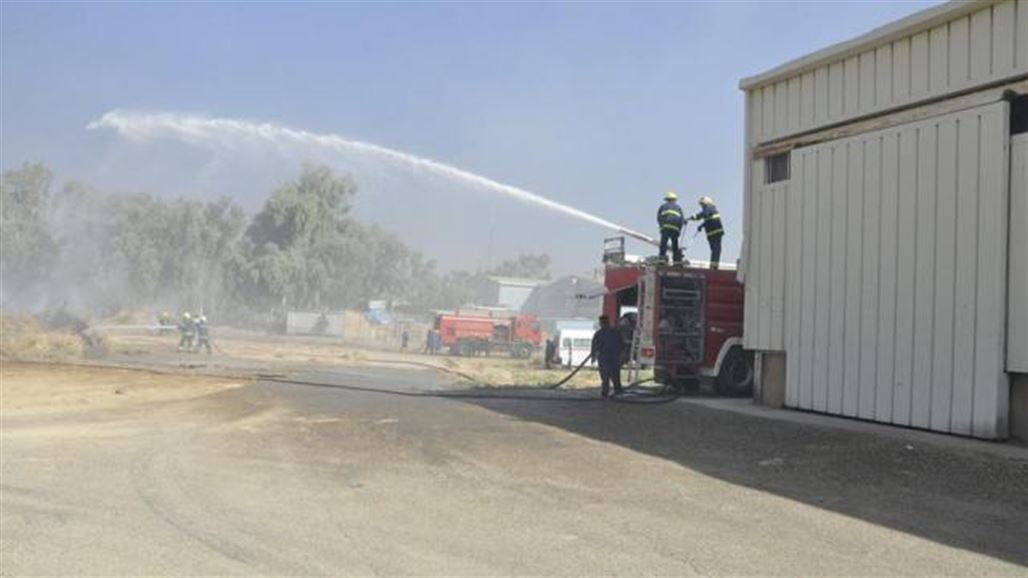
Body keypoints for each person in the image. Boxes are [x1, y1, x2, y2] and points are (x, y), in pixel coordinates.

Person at [687, 195, 725, 269]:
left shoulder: (710, 207)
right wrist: (701, 226)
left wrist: (691, 218)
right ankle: (713, 265)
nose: (702, 206)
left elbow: (704, 214)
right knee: (715, 250)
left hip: (715, 232)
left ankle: (714, 266)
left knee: (716, 249)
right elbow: (708, 219)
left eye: (702, 204)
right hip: (712, 233)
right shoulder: (710, 209)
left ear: (706, 203)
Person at [591, 315, 624, 398]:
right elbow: (622, 345)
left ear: (601, 323)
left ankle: (605, 393)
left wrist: (593, 356)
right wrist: (620, 356)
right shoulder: (616, 332)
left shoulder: (598, 333)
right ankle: (618, 391)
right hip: (614, 357)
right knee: (615, 375)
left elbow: (594, 346)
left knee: (605, 377)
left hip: (604, 358)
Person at [656, 191, 685, 264]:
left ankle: (662, 259)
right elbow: (681, 220)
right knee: (675, 244)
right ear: (674, 200)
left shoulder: (663, 206)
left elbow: (659, 218)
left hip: (666, 227)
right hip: (675, 228)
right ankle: (676, 260)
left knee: (664, 243)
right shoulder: (678, 208)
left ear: (667, 199)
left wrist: (661, 227)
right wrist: (679, 231)